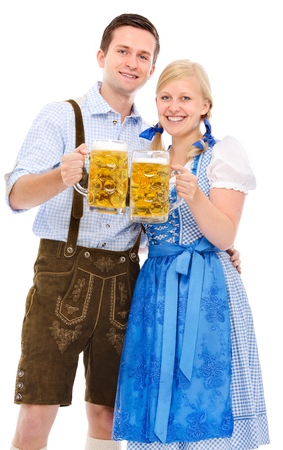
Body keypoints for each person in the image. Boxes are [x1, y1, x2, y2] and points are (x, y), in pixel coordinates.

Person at [5, 14, 241, 450]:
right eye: (123, 51)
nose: (132, 62)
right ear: (102, 56)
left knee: (111, 412)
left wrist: (218, 246)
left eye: (143, 56)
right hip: (63, 270)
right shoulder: (61, 116)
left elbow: (162, 214)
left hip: (126, 277)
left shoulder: (153, 138)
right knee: (38, 408)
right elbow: (16, 195)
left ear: (152, 68)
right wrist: (61, 175)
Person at [112, 59, 270, 449]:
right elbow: (141, 236)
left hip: (209, 288)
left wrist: (194, 195)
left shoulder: (222, 155)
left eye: (185, 97)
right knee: (159, 394)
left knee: (204, 395)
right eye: (165, 97)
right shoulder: (146, 160)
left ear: (205, 105)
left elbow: (223, 235)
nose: (174, 106)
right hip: (157, 290)